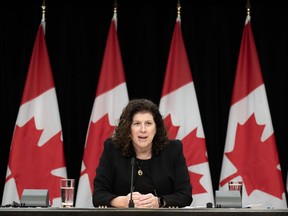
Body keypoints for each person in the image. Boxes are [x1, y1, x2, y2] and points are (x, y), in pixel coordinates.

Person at [93, 98, 192, 208]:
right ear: (128, 128)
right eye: (137, 124)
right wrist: (122, 202)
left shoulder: (173, 149)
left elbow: (185, 195)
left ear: (156, 128)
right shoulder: (112, 149)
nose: (143, 129)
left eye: (148, 123)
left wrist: (159, 202)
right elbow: (98, 195)